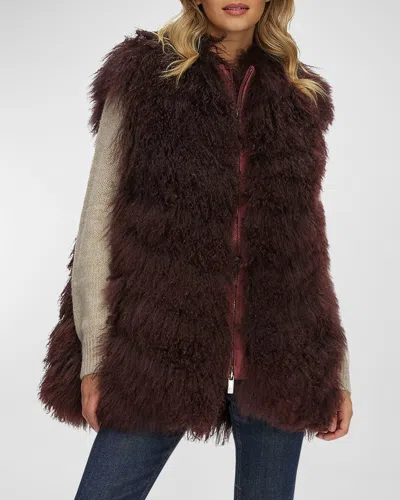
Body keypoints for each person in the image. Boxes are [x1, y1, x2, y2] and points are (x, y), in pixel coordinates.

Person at [38, 1, 353, 499]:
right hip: (156, 347)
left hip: (282, 350)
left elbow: (308, 247)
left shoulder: (298, 94)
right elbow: (96, 224)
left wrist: (336, 372)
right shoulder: (145, 78)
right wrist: (95, 359)